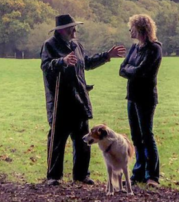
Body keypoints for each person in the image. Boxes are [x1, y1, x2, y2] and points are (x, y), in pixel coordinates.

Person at [41, 14, 126, 186]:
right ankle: (54, 176)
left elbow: (85, 63)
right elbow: (46, 66)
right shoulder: (49, 45)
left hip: (79, 99)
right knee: (57, 140)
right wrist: (62, 61)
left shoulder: (76, 45)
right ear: (63, 30)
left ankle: (81, 175)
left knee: (83, 141)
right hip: (60, 101)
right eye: (72, 28)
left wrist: (106, 56)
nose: (75, 31)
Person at [119, 14, 162, 187]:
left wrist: (131, 69)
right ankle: (138, 173)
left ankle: (152, 176)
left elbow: (141, 72)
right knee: (137, 137)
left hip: (146, 98)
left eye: (132, 27)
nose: (130, 30)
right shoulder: (134, 48)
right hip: (132, 97)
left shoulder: (154, 49)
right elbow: (122, 69)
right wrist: (132, 69)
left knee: (147, 135)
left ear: (141, 29)